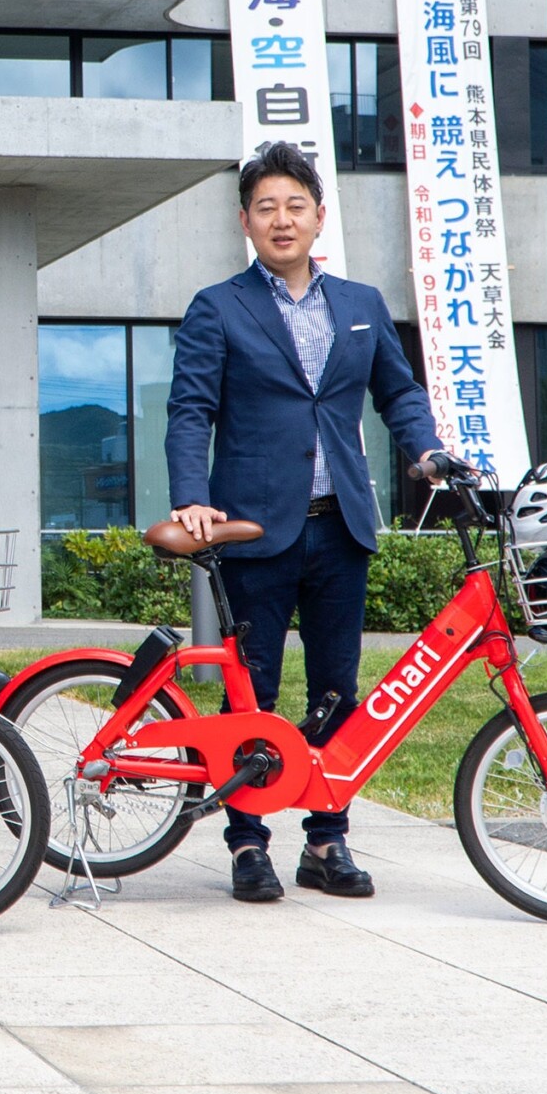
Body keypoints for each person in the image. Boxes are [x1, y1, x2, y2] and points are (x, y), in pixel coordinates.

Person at [164, 141, 446, 905]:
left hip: (340, 526)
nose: (282, 219)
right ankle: (248, 842)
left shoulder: (360, 305)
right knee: (249, 694)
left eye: (296, 205)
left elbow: (400, 394)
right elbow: (190, 408)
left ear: (320, 216)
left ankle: (327, 836)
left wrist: (425, 451)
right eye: (266, 207)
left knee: (336, 688)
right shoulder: (218, 306)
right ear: (245, 223)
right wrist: (191, 492)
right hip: (253, 529)